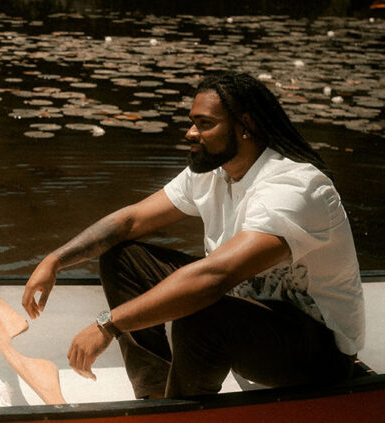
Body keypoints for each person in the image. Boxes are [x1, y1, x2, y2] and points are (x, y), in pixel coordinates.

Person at [21, 71, 364, 399]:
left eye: (205, 124)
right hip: (254, 318)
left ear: (247, 126)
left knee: (201, 312)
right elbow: (130, 222)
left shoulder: (294, 188)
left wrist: (108, 325)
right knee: (123, 258)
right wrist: (55, 260)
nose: (190, 133)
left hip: (320, 354)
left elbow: (216, 277)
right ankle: (156, 398)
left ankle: (179, 414)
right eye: (192, 122)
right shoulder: (213, 173)